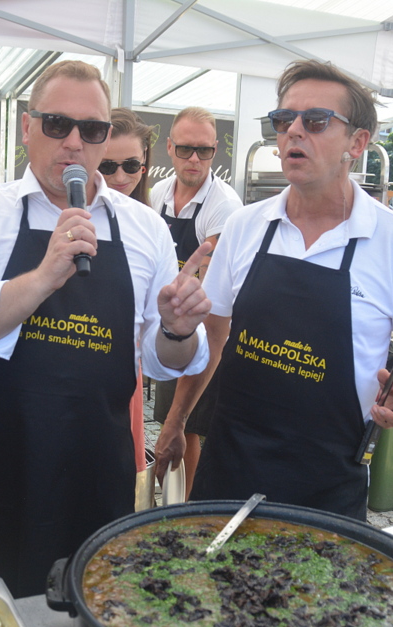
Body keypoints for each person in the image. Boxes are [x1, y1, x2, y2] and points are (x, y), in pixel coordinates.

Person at [0, 61, 211, 597]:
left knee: (89, 607)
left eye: (92, 129)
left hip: (96, 466)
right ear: (27, 127)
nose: (74, 142)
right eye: (57, 124)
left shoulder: (144, 229)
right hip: (0, 464)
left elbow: (163, 360)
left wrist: (176, 332)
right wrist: (41, 279)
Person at [185, 59, 393, 521]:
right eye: (284, 119)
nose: (294, 131)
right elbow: (214, 333)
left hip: (327, 483)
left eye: (317, 120)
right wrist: (176, 422)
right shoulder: (245, 226)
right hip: (230, 468)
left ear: (357, 143)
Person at [149, 106, 243, 499]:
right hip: (168, 324)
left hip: (205, 335)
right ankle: (174, 502)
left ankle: (186, 507)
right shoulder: (158, 194)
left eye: (204, 151)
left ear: (215, 151)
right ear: (169, 148)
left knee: (185, 428)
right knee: (169, 424)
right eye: (186, 149)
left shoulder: (224, 207)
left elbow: (210, 300)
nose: (194, 159)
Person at [100, 106, 155, 476]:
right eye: (108, 166)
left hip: (124, 367)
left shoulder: (149, 225)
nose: (120, 177)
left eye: (131, 165)